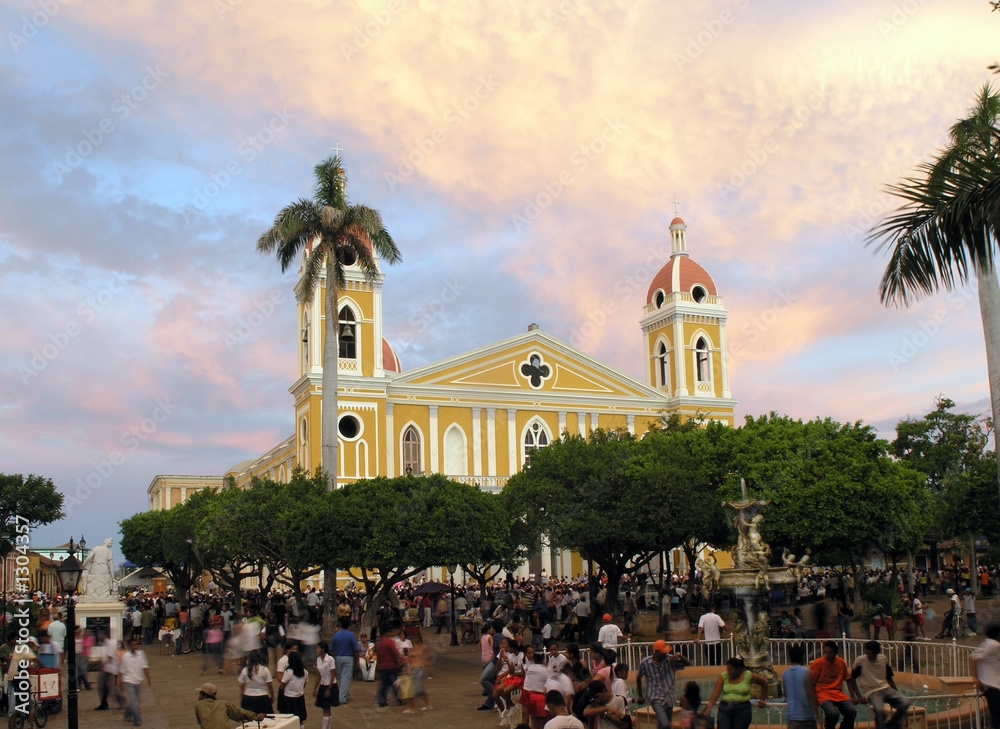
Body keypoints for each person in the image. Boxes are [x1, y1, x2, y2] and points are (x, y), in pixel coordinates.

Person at [848, 641, 909, 729]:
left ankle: (893, 725)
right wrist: (858, 696)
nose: (869, 656)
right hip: (871, 691)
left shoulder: (882, 659)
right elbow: (852, 678)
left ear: (876, 653)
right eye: (867, 653)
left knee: (905, 702)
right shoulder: (860, 661)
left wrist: (896, 691)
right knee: (880, 710)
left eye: (871, 654)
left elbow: (889, 677)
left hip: (885, 687)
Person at [701, 656, 768, 729]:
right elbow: (716, 693)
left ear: (738, 669)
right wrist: (709, 707)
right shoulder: (723, 676)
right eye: (727, 670)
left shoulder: (748, 675)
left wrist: (762, 699)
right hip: (725, 709)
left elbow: (764, 682)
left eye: (731, 670)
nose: (728, 672)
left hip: (742, 710)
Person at [636, 639, 691, 729]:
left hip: (669, 697)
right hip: (655, 697)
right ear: (656, 652)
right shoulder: (646, 662)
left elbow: (689, 664)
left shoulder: (670, 660)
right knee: (665, 724)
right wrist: (640, 695)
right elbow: (638, 677)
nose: (665, 654)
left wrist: (679, 655)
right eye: (663, 652)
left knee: (664, 724)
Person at [810, 640, 856, 729]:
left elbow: (848, 679)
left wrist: (852, 696)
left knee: (852, 711)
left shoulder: (841, 662)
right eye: (825, 652)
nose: (827, 655)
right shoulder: (818, 663)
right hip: (823, 693)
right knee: (833, 713)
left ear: (835, 653)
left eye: (830, 652)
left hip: (838, 693)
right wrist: (814, 698)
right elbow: (811, 682)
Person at [194, 682, 263, 728]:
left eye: (199, 694)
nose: (198, 696)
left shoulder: (198, 705)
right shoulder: (224, 704)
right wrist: (256, 717)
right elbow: (240, 713)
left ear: (204, 696)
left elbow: (200, 721)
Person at [783, 644, 819, 729]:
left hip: (792, 717)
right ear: (802, 657)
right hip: (806, 717)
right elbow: (811, 694)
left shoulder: (785, 674)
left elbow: (786, 694)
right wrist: (818, 715)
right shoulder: (807, 673)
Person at [119, 638, 151, 727]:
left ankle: (127, 715)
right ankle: (137, 719)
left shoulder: (141, 654)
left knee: (135, 701)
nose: (135, 646)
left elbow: (145, 666)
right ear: (129, 646)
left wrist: (148, 677)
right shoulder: (125, 656)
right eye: (133, 645)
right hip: (129, 681)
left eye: (136, 644)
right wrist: (120, 682)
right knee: (134, 702)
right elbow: (121, 670)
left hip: (139, 680)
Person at [973, 623, 1000, 729]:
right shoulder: (993, 644)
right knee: (997, 717)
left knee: (996, 716)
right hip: (992, 686)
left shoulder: (989, 643)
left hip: (991, 685)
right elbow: (974, 658)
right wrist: (976, 678)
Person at [328, 617, 359, 705]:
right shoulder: (351, 635)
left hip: (338, 657)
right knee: (346, 677)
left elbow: (331, 648)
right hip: (348, 657)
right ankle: (342, 698)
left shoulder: (336, 635)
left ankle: (345, 694)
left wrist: (335, 655)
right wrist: (357, 660)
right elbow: (356, 649)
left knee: (340, 677)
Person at [402, 633, 432, 714]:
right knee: (420, 689)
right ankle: (428, 704)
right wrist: (408, 667)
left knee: (414, 689)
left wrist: (428, 668)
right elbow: (409, 659)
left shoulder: (423, 648)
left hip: (421, 669)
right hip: (415, 669)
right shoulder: (412, 648)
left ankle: (411, 708)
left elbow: (425, 659)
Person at [375, 625, 404, 708]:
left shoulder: (380, 643)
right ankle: (399, 697)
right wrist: (399, 662)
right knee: (395, 683)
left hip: (383, 667)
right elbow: (395, 654)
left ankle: (382, 700)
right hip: (390, 666)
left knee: (384, 685)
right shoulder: (389, 642)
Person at [237, 650, 274, 715]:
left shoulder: (245, 670)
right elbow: (269, 684)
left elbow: (241, 685)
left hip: (248, 697)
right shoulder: (264, 669)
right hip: (262, 697)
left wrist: (241, 698)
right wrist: (272, 696)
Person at [280, 649, 308, 729]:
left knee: (288, 720)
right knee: (300, 719)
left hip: (289, 699)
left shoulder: (289, 672)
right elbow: (304, 684)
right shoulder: (305, 672)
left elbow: (282, 685)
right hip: (300, 698)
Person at [313, 642, 338, 729]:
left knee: (326, 708)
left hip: (330, 685)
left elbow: (333, 674)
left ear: (323, 649)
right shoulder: (318, 660)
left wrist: (329, 688)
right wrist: (314, 689)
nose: (316, 650)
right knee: (326, 708)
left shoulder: (330, 659)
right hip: (322, 685)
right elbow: (318, 675)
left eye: (318, 648)